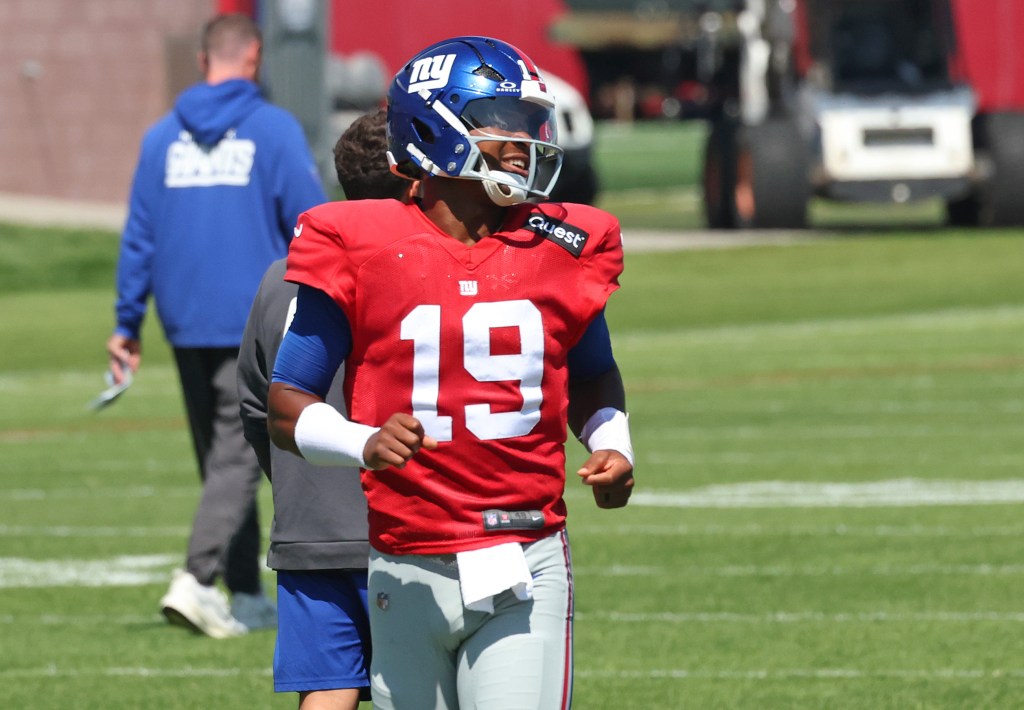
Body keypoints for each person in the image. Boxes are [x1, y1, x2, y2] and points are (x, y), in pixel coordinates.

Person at [268, 36, 635, 708]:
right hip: (402, 565)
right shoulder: (359, 242)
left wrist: (612, 443)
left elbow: (593, 371)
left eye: (530, 121)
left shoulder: (561, 244)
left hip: (523, 554)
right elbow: (286, 402)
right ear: (436, 126)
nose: (524, 140)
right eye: (504, 119)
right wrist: (363, 441)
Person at [106, 13, 328, 639]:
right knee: (235, 459)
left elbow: (139, 236)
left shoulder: (159, 140)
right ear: (254, 58)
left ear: (204, 62)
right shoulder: (274, 130)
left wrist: (127, 321)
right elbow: (312, 225)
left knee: (223, 460)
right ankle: (197, 580)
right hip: (250, 320)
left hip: (183, 319)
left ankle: (248, 593)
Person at [237, 109, 412, 709]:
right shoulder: (420, 267)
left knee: (329, 688)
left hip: (307, 523)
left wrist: (300, 480)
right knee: (429, 684)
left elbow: (256, 408)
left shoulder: (276, 277)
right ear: (417, 180)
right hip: (404, 523)